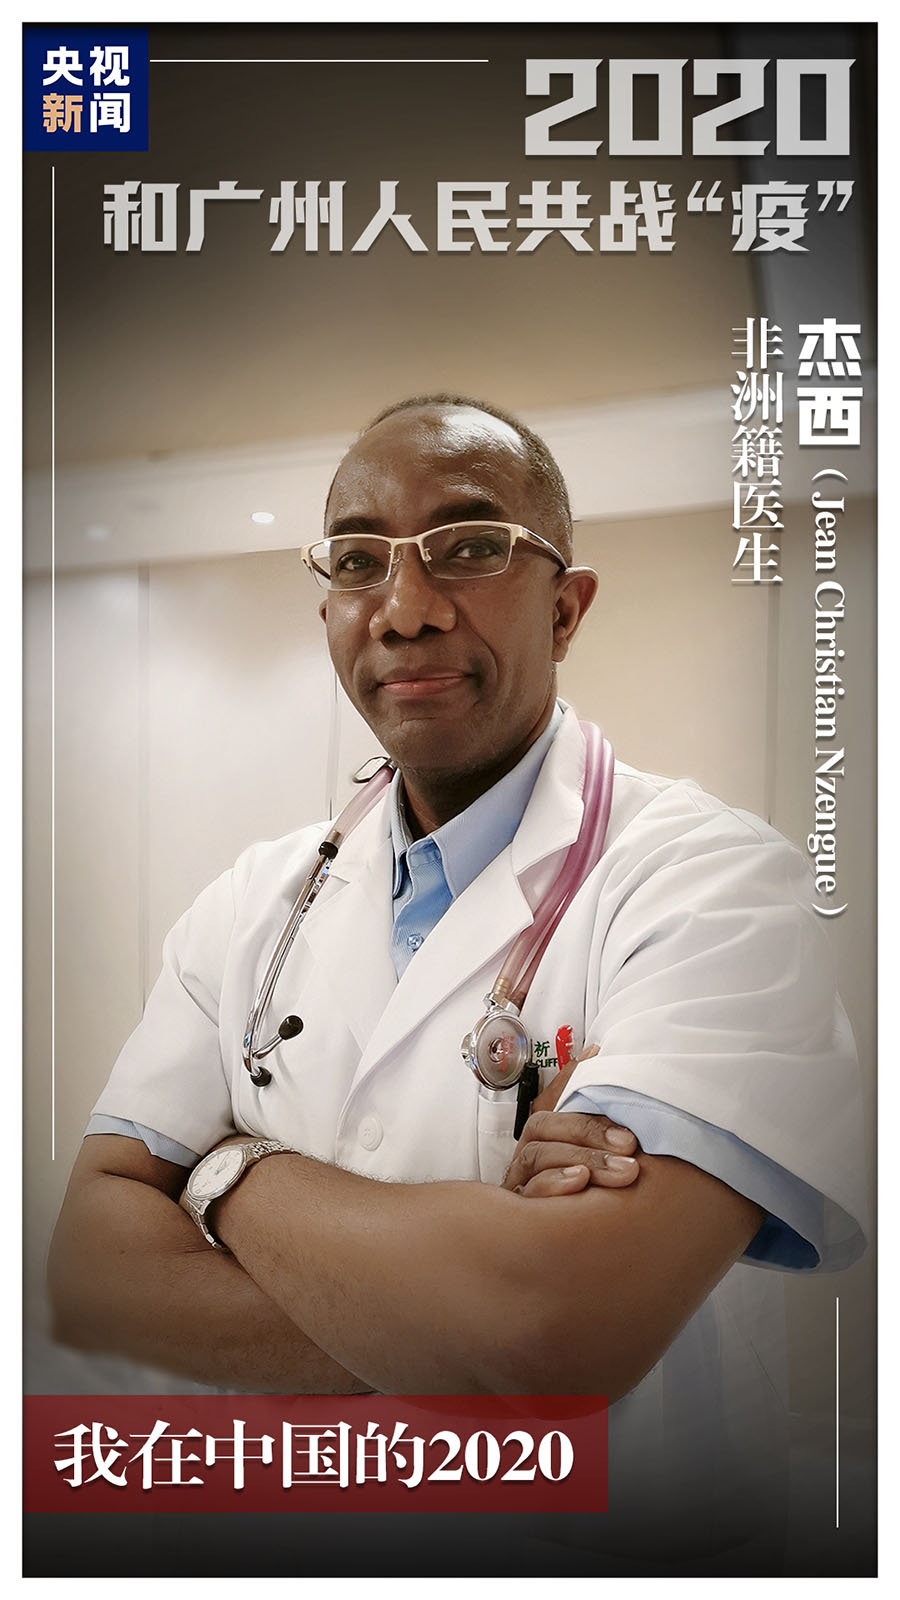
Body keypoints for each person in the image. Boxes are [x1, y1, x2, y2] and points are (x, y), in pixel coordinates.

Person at [48, 395, 866, 1568]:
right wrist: (459, 1321)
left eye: (471, 546)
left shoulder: (721, 888)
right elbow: (89, 1269)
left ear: (566, 607)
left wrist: (223, 1172)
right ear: (329, 607)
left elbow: (557, 1330)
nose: (406, 608)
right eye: (358, 560)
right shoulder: (249, 903)